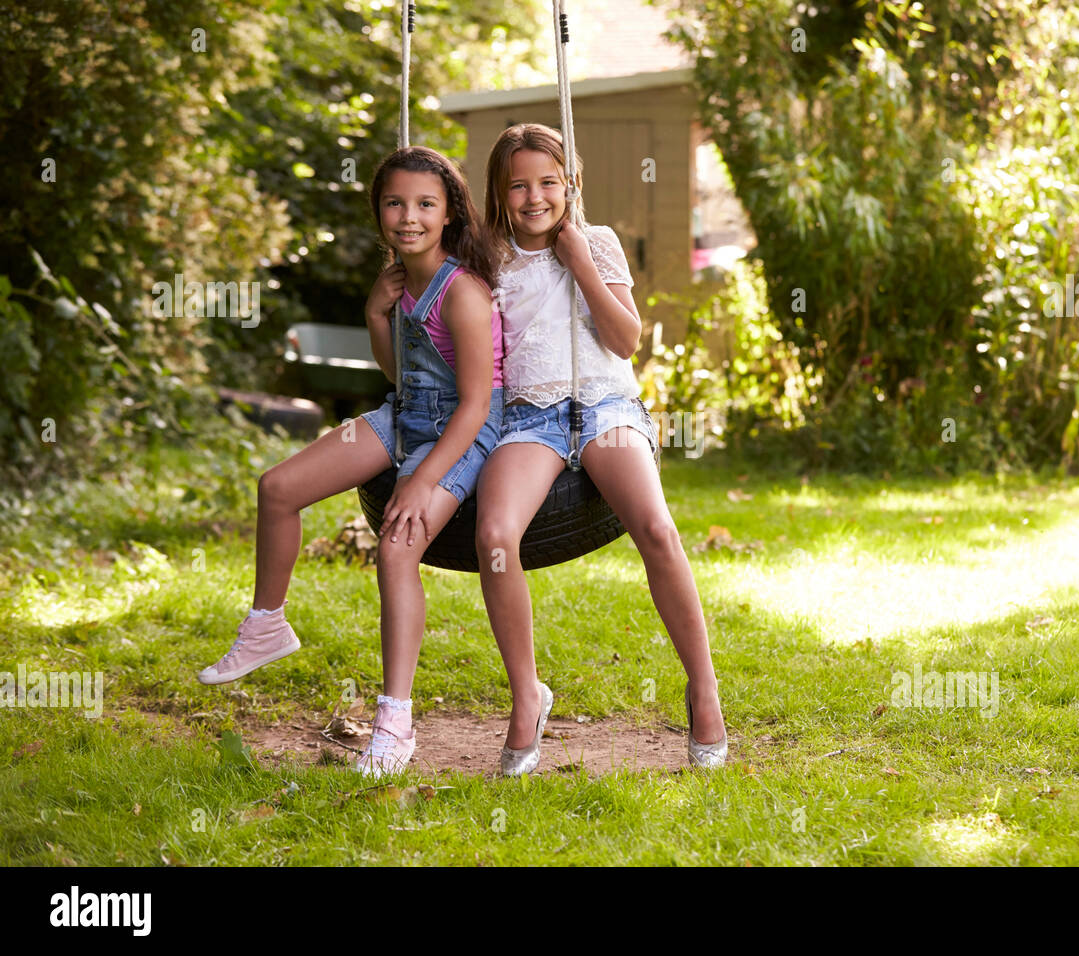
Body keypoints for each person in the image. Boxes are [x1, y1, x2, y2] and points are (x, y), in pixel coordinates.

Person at [197, 146, 506, 777]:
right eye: (395, 203)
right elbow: (402, 373)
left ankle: (395, 722)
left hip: (464, 431)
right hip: (406, 415)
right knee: (277, 487)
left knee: (396, 546)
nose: (409, 217)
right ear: (379, 212)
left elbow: (475, 405)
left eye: (425, 204)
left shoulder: (463, 293)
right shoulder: (402, 283)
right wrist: (374, 313)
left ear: (449, 214)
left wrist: (422, 481)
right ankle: (267, 625)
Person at [474, 123, 727, 776]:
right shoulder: (488, 259)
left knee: (658, 528)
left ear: (571, 185)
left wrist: (579, 260)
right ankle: (527, 694)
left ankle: (702, 688)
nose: (535, 197)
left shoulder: (600, 242)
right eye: (519, 186)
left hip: (607, 407)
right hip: (533, 418)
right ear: (500, 194)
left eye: (549, 183)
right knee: (496, 534)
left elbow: (624, 340)